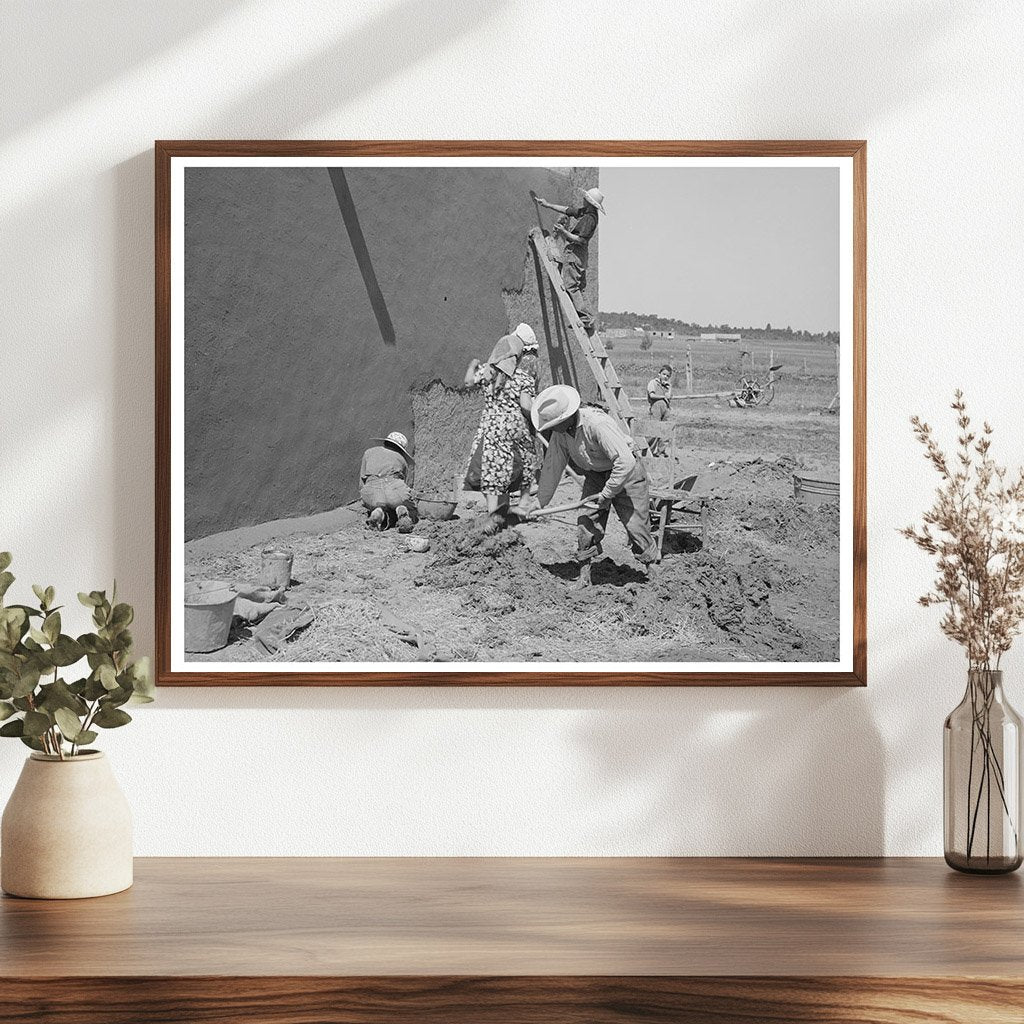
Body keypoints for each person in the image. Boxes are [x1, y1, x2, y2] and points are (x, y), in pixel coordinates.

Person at [529, 384, 658, 587]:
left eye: (554, 423)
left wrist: (607, 494)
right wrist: (540, 501)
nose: (552, 428)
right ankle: (584, 578)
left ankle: (655, 573)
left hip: (627, 473)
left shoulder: (596, 423)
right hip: (596, 475)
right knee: (586, 524)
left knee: (636, 525)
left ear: (566, 417)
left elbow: (625, 462)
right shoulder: (560, 434)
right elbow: (552, 467)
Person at [465, 325, 539, 532]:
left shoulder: (487, 373)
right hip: (514, 430)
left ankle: (493, 513)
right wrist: (536, 418)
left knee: (491, 470)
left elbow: (468, 381)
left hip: (489, 428)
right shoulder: (523, 378)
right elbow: (526, 405)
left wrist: (473, 365)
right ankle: (509, 511)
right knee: (515, 468)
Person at [534, 187, 605, 334]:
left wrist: (563, 232)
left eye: (586, 198)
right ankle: (588, 317)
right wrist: (547, 205)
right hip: (579, 255)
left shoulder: (589, 219)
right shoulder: (586, 212)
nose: (583, 199)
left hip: (576, 253)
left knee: (571, 286)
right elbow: (568, 210)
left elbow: (581, 240)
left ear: (589, 202)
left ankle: (586, 318)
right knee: (579, 287)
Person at [359, 431, 414, 532]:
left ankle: (377, 512)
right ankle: (401, 510)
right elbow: (406, 483)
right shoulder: (402, 460)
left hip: (372, 491)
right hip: (395, 491)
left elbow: (362, 481)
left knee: (377, 504)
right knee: (401, 502)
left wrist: (365, 499)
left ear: (386, 442)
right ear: (401, 449)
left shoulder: (368, 453)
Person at [646, 364, 673, 456]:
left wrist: (669, 388)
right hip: (656, 408)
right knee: (654, 429)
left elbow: (669, 397)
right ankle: (648, 451)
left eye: (668, 376)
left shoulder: (667, 386)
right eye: (664, 374)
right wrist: (662, 396)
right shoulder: (653, 383)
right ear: (659, 374)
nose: (665, 377)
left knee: (665, 430)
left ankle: (661, 452)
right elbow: (652, 395)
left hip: (665, 409)